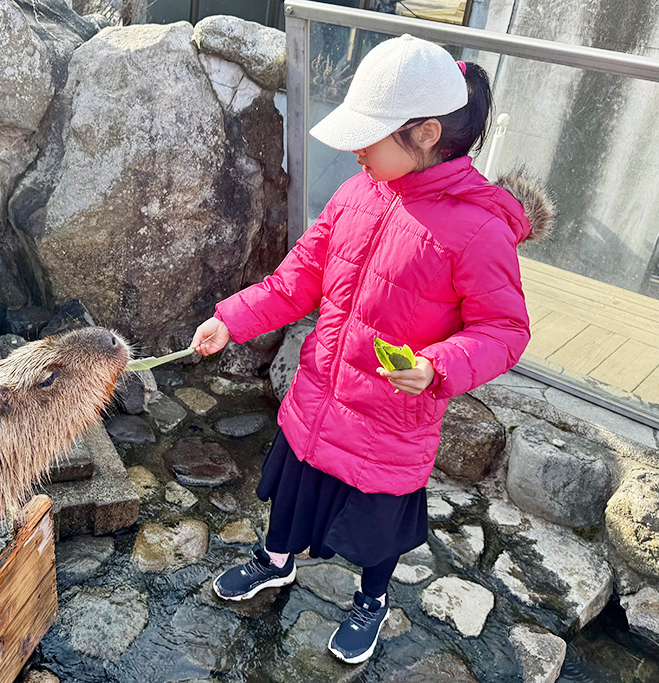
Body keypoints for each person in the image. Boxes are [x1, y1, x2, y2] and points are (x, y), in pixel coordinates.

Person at [192, 34, 551, 665]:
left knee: (377, 528)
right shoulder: (357, 193)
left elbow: (504, 331)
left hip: (391, 419)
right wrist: (232, 320)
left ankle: (372, 602)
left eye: (370, 135)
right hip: (318, 398)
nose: (356, 148)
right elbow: (297, 279)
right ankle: (273, 562)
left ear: (426, 134)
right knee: (293, 493)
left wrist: (439, 367)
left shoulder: (479, 231)